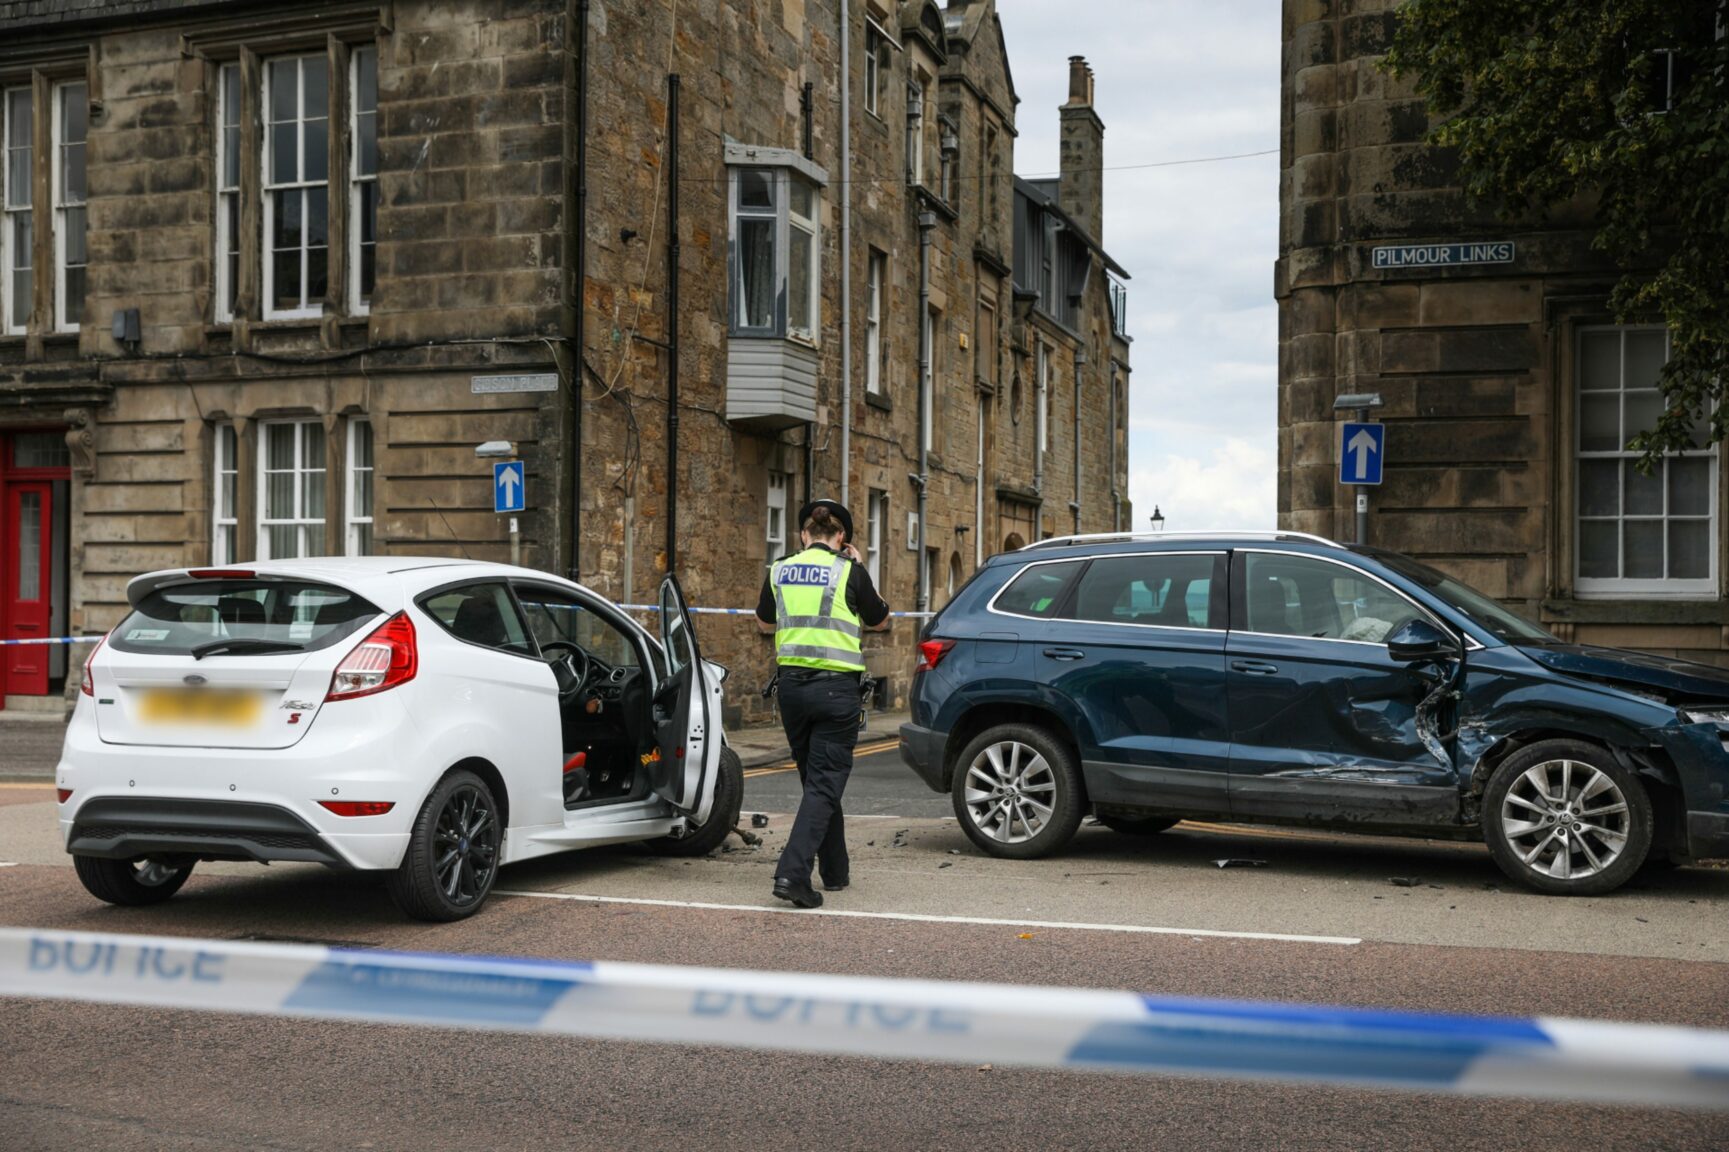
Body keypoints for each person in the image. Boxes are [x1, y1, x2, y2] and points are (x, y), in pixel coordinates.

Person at [755, 498, 891, 908]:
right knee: (824, 782)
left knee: (817, 782)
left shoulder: (778, 570)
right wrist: (861, 565)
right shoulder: (849, 570)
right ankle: (792, 874)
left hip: (792, 691)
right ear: (842, 538)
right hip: (836, 691)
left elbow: (764, 622)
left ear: (803, 535)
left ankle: (835, 870)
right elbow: (881, 618)